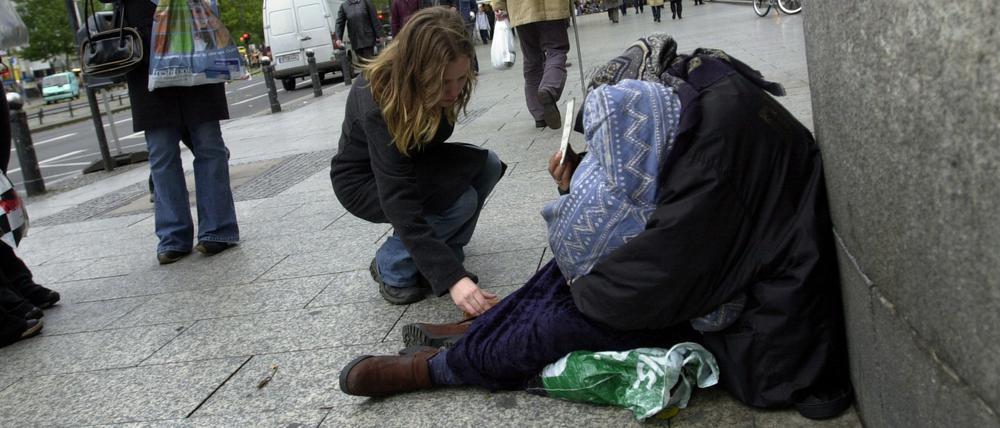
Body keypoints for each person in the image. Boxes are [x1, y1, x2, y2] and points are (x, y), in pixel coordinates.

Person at [337, 36, 853, 421]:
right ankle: (473, 331)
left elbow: (628, 286)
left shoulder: (708, 177)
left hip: (758, 329)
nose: (455, 91)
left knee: (571, 308)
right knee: (570, 273)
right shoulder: (690, 115)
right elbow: (642, 188)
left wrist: (579, 262)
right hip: (373, 183)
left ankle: (437, 370)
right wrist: (578, 183)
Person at [330, 8, 505, 312]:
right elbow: (398, 197)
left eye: (461, 79)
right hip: (364, 181)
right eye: (442, 83)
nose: (453, 92)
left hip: (411, 163)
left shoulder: (439, 84)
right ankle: (392, 265)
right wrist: (453, 279)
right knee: (461, 200)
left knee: (487, 164)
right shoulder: (377, 97)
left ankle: (443, 254)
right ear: (416, 71)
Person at [115, 0, 240, 264]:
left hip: (198, 45)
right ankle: (173, 236)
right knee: (161, 152)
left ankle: (217, 230)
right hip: (147, 56)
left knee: (209, 145)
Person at [491, 0, 571, 129]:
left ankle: (539, 115)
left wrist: (499, 6)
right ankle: (549, 87)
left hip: (520, 8)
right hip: (552, 7)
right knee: (556, 50)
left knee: (532, 58)